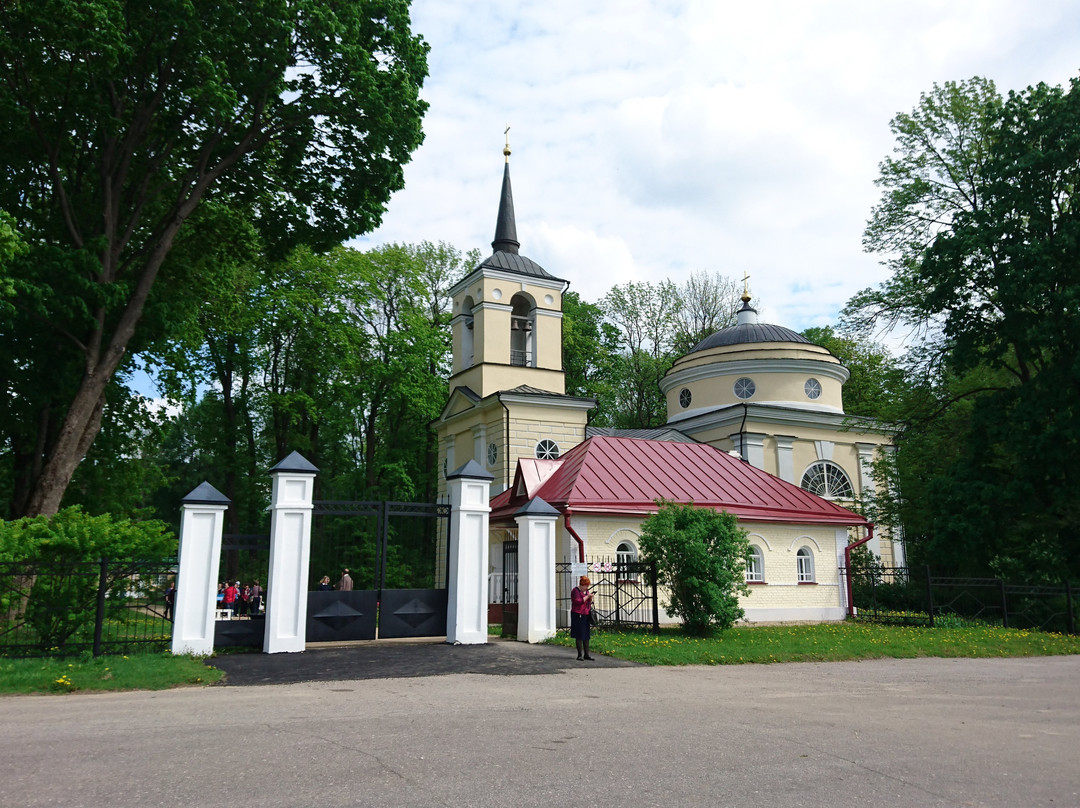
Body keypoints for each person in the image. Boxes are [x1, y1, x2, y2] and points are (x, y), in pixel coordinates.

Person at [570, 575, 595, 661]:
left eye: (588, 586)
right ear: (581, 584)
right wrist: (587, 597)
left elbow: (588, 602)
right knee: (579, 634)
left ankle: (587, 654)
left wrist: (590, 598)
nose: (587, 588)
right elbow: (578, 601)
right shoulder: (575, 591)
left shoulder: (586, 592)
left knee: (586, 635)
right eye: (586, 586)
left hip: (585, 614)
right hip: (577, 614)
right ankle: (579, 654)